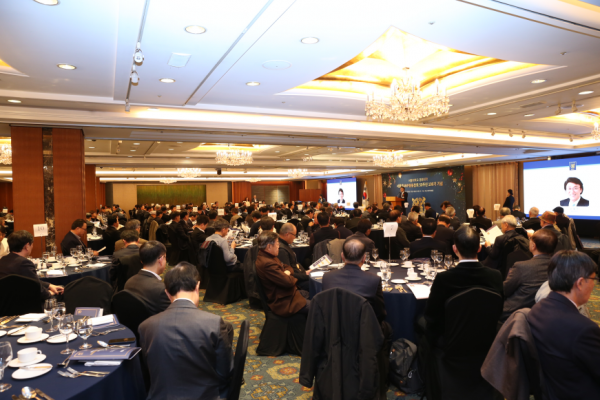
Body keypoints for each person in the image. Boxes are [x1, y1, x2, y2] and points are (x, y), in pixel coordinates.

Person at [139, 262, 234, 400]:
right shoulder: (214, 323)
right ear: (197, 286)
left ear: (167, 293)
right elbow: (226, 372)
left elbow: (149, 372)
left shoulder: (145, 326)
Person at [528, 251, 600, 399]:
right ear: (580, 283)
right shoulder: (583, 329)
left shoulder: (537, 309)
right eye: (594, 279)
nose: (595, 284)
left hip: (552, 390)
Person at [421, 226, 503, 343]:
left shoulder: (444, 278)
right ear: (479, 248)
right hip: (486, 340)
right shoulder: (496, 276)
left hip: (450, 341)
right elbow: (498, 310)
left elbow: (432, 316)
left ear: (454, 249)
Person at [500, 228, 557, 322]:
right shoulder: (558, 267)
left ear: (533, 246)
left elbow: (505, 290)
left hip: (514, 313)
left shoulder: (521, 266)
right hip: (544, 314)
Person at [255, 231, 309, 317]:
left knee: (314, 295)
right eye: (277, 243)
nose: (279, 246)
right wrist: (286, 274)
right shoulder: (268, 263)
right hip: (283, 302)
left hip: (286, 294)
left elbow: (288, 267)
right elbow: (289, 282)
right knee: (318, 307)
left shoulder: (268, 256)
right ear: (269, 246)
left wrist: (286, 272)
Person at [0, 230, 63, 299]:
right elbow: (37, 289)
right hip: (25, 301)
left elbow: (31, 281)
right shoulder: (24, 263)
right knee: (62, 293)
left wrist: (49, 285)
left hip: (6, 301)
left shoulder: (3, 260)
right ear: (27, 246)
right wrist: (49, 293)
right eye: (32, 244)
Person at [124, 241, 170, 316]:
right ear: (161, 259)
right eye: (165, 257)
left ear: (141, 261)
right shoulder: (161, 289)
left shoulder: (129, 282)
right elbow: (172, 316)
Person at [278, 223, 309, 291]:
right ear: (287, 234)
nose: (295, 238)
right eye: (294, 235)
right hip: (295, 283)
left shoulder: (284, 245)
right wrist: (307, 276)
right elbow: (288, 274)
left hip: (298, 276)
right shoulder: (282, 250)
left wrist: (305, 272)